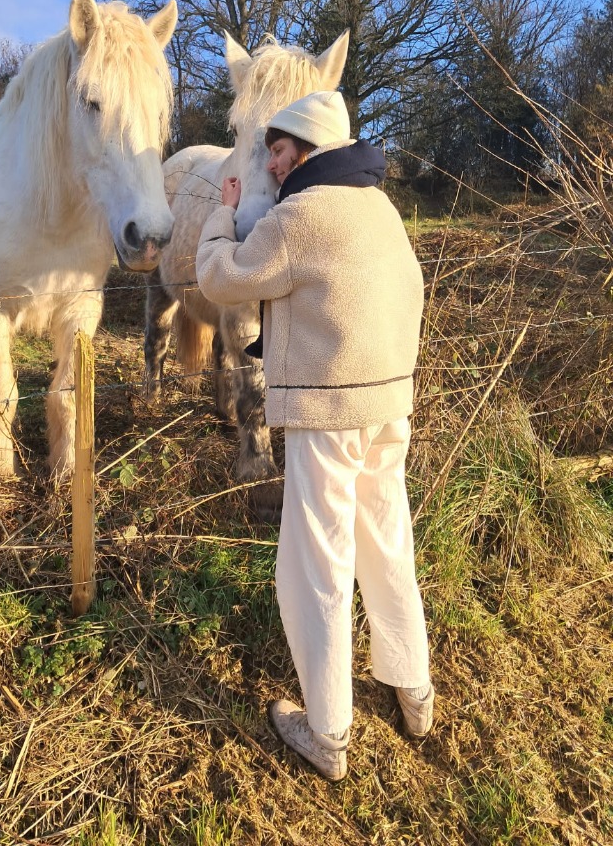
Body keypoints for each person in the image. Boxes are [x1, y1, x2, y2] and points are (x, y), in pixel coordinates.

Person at [195, 90, 433, 781]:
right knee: (387, 542)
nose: (271, 165)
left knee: (316, 563)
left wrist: (221, 212)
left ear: (309, 152)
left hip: (329, 414)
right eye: (268, 151)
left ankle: (327, 730)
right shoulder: (380, 209)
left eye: (279, 150)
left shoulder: (299, 215)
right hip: (390, 405)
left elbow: (221, 277)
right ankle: (413, 689)